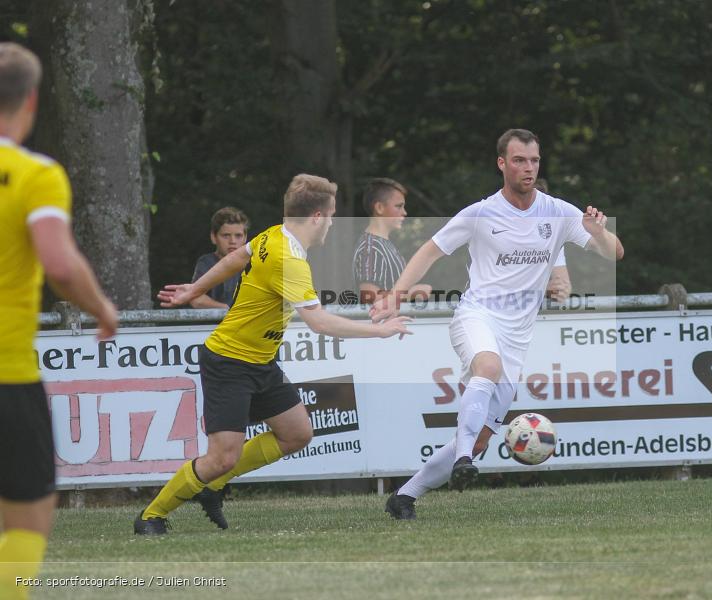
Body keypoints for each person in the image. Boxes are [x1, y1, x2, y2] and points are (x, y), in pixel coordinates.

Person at [134, 174, 411, 535]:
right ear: (316, 216)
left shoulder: (273, 235)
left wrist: (194, 289)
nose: (331, 222)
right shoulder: (290, 260)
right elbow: (320, 323)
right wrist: (380, 331)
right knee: (222, 457)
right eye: (330, 215)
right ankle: (151, 516)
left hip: (260, 360)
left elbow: (237, 257)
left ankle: (213, 486)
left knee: (296, 433)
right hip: (229, 362)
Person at [372, 129, 623, 520]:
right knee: (486, 368)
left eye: (534, 160)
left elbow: (615, 253)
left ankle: (405, 496)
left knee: (480, 438)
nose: (528, 167)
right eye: (519, 160)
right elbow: (430, 251)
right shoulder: (480, 213)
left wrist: (600, 233)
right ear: (502, 163)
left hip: (517, 338)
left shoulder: (557, 211)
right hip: (477, 316)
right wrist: (397, 294)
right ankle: (463, 460)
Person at [0, 43, 118, 599]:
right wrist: (101, 308)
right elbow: (59, 263)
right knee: (25, 524)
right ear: (31, 100)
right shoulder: (35, 174)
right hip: (7, 374)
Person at [352, 178, 431, 304]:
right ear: (379, 208)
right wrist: (410, 294)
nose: (404, 212)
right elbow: (368, 297)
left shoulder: (384, 245)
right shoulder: (371, 248)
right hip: (381, 323)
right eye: (398, 206)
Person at [189, 206, 250, 309]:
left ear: (245, 237)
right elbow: (195, 299)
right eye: (226, 235)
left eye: (238, 236)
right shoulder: (207, 263)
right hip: (216, 324)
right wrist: (227, 309)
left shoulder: (255, 262)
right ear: (214, 237)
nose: (232, 241)